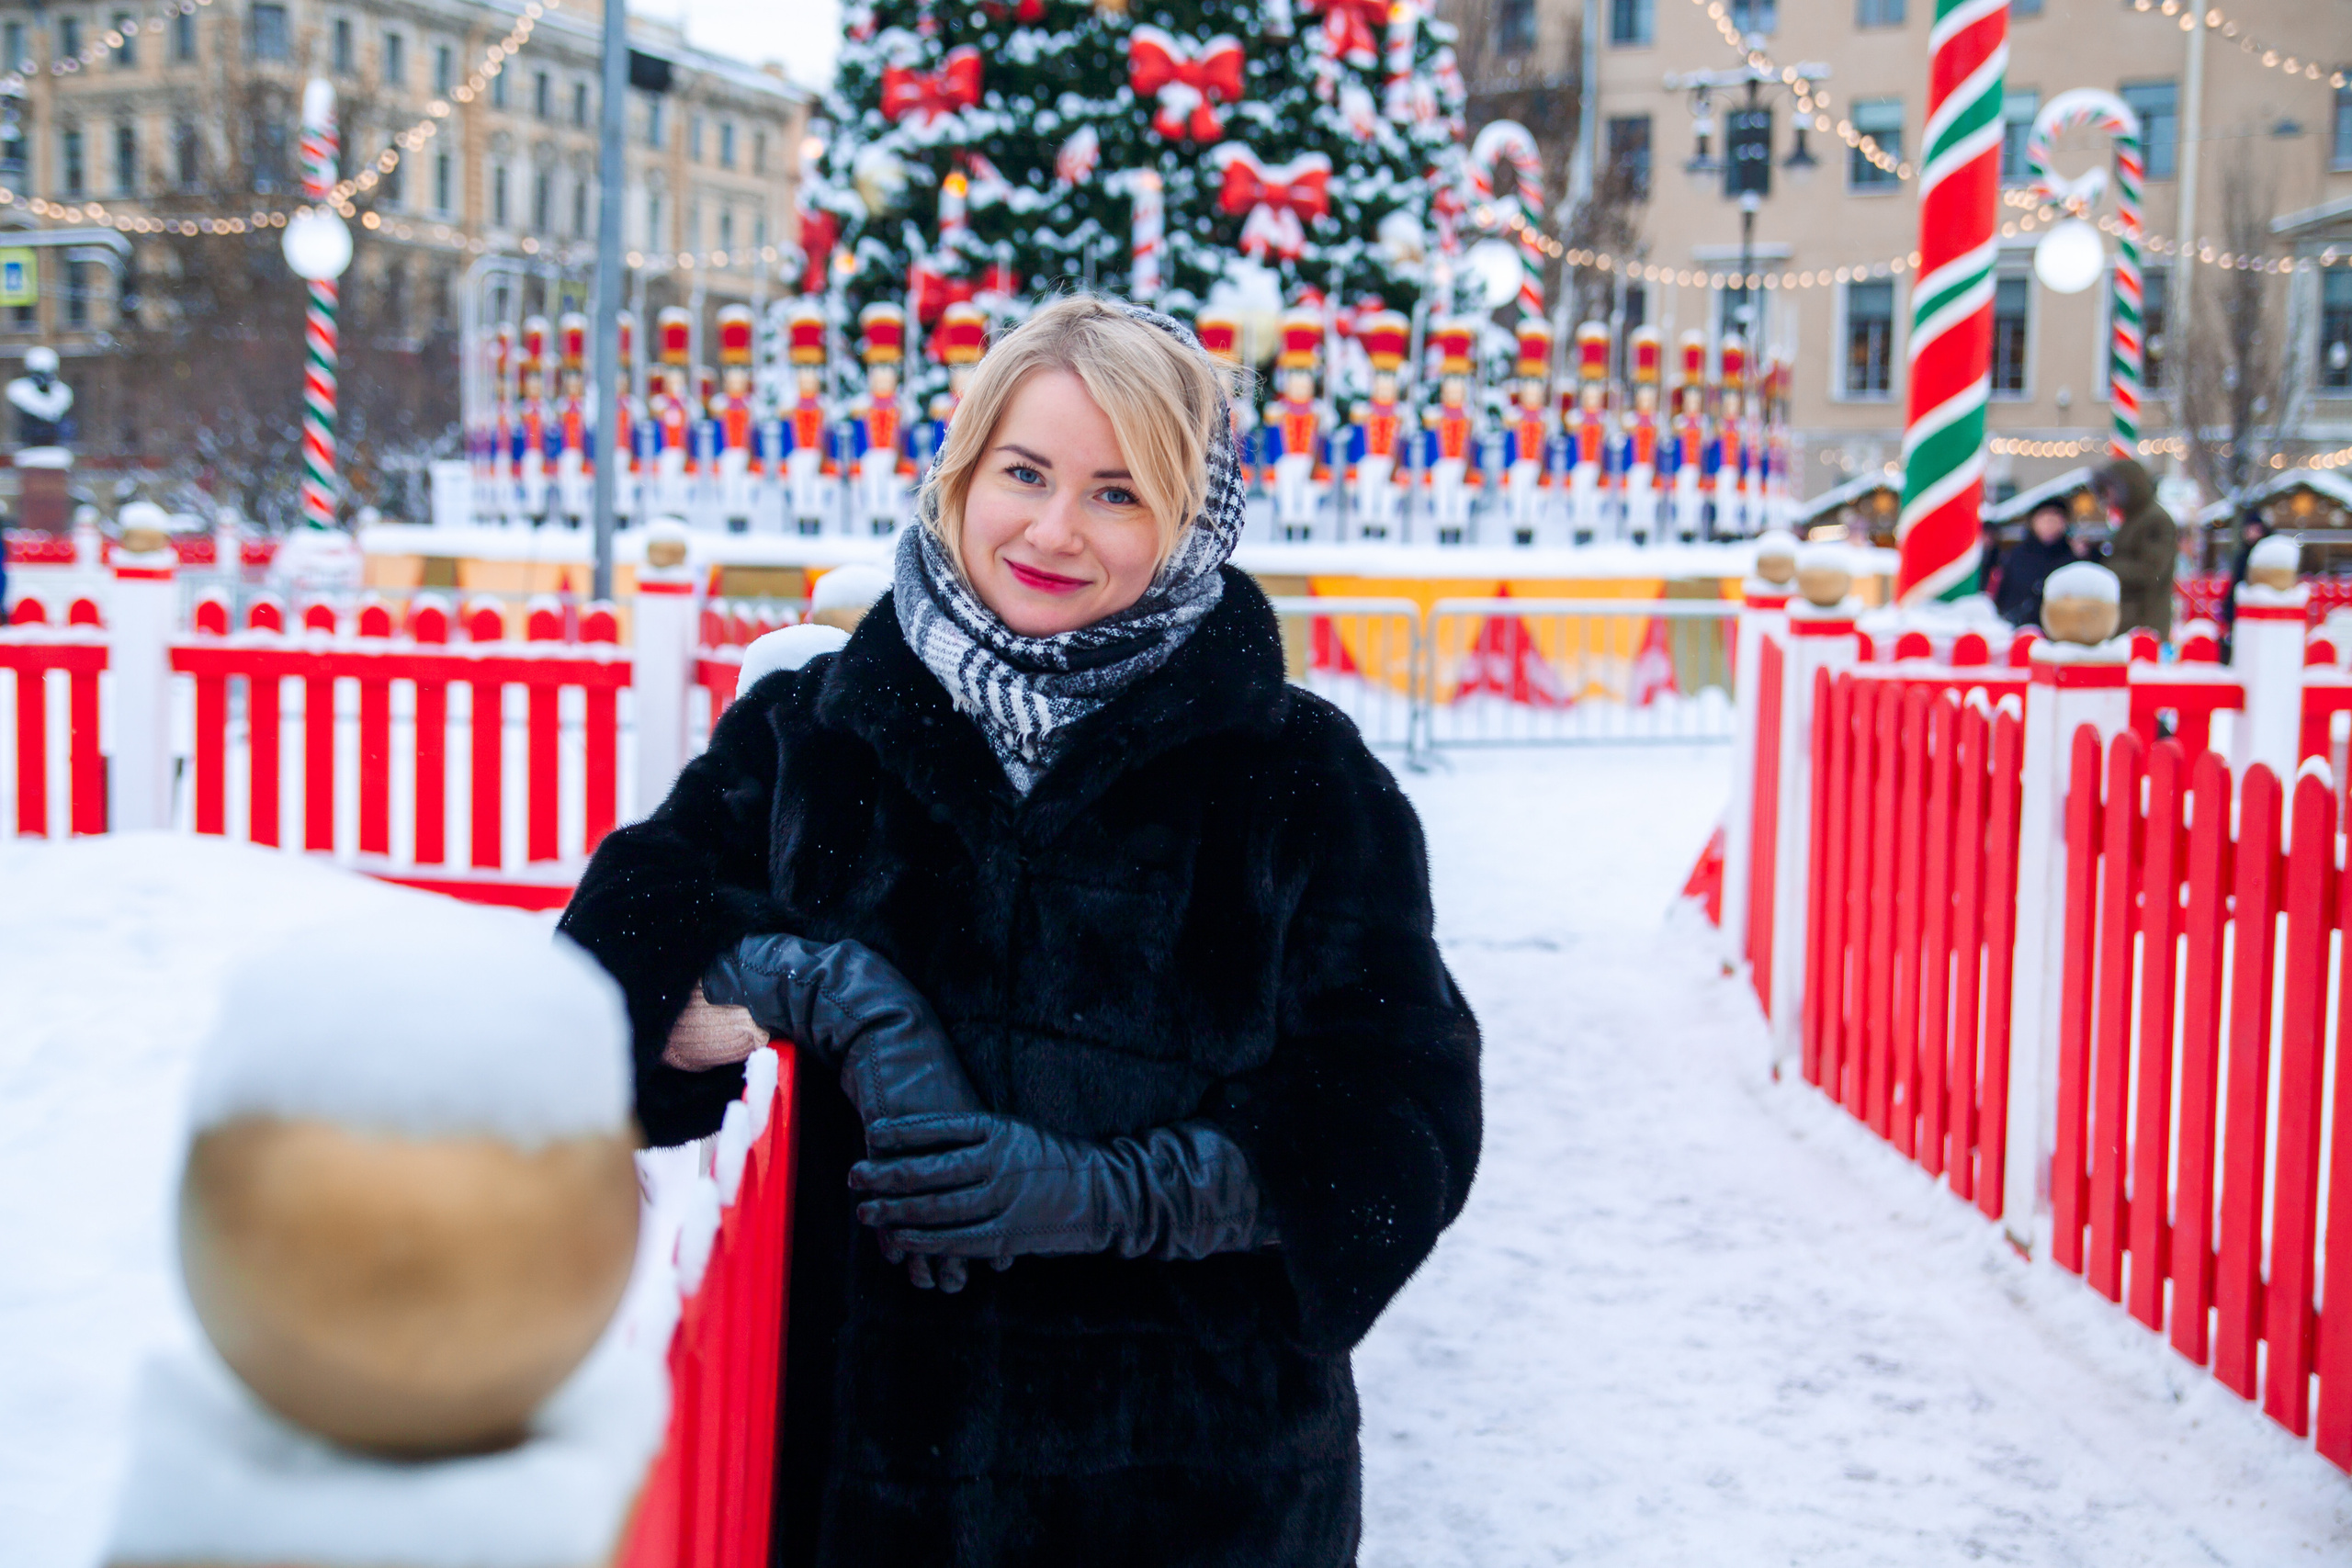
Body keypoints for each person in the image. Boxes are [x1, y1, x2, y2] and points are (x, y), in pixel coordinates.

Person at [560, 294, 1483, 1568]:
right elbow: (602, 977)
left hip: (1195, 1492)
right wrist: (813, 981)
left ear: (1188, 518)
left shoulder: (1298, 780)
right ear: (965, 471)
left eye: (1118, 492)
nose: (1054, 529)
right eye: (1026, 472)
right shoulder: (814, 736)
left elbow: (1401, 1123)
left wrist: (1108, 1194)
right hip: (863, 1484)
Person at [2093, 456, 2177, 639]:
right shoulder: (2133, 519)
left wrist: (2106, 570)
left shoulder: (2155, 520)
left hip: (2144, 622)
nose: (2108, 495)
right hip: (2130, 619)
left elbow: (2150, 570)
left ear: (2127, 487)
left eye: (2111, 488)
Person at [1992, 501, 2082, 629]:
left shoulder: (2072, 558)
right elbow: (2004, 593)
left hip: (2058, 631)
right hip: (2018, 628)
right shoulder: (2017, 555)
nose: (2049, 523)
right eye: (2044, 517)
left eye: (2055, 517)